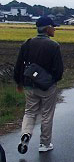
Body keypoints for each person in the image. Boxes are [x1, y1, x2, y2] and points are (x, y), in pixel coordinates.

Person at [14, 17, 63, 154]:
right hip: (47, 86)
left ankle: (26, 134)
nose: (54, 29)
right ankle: (44, 143)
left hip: (29, 85)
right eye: (53, 27)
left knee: (29, 112)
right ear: (47, 29)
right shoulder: (54, 46)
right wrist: (53, 81)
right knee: (47, 114)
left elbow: (19, 66)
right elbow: (58, 70)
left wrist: (19, 82)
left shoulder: (27, 44)